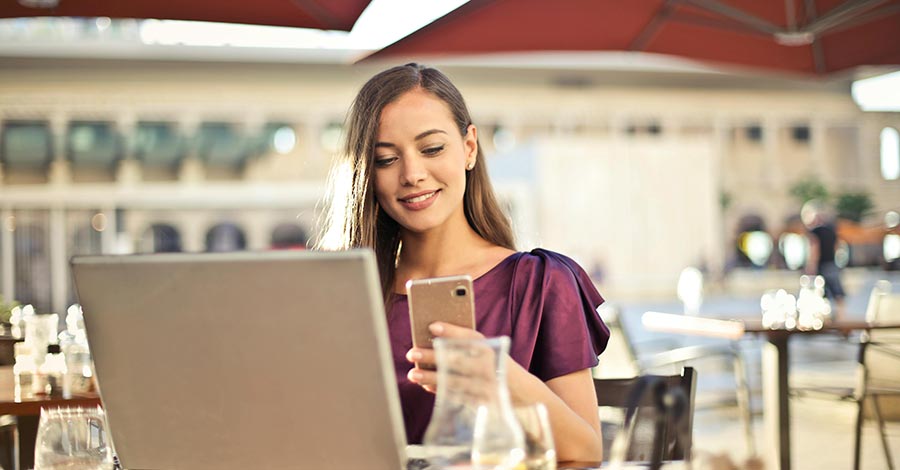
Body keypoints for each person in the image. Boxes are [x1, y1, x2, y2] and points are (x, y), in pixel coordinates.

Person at [318, 63, 609, 462]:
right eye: (386, 159)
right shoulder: (341, 296)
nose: (413, 174)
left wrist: (498, 377)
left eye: (432, 149)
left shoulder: (539, 282)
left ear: (469, 147)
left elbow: (587, 451)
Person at [801, 199, 846, 320]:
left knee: (818, 292)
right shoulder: (831, 230)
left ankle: (820, 318)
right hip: (832, 264)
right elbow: (837, 246)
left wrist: (811, 265)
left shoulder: (815, 232)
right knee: (837, 293)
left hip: (821, 265)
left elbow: (815, 249)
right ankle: (841, 317)